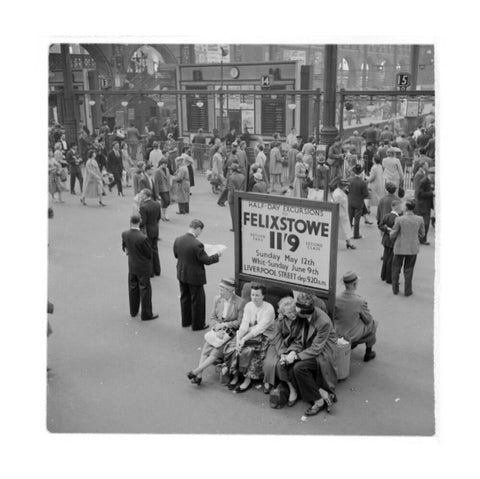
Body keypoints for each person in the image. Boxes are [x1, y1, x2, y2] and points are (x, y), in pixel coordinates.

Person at [280, 293, 338, 416]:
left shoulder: (323, 322)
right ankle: (322, 392)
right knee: (290, 367)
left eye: (296, 308)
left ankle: (318, 401)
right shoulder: (304, 316)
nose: (294, 311)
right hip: (309, 348)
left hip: (323, 353)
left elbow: (316, 349)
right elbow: (299, 339)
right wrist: (291, 352)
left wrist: (295, 357)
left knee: (298, 367)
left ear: (303, 312)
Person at [186, 277, 245, 386]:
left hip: (230, 332)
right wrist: (217, 328)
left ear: (230, 290)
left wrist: (225, 325)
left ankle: (196, 372)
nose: (220, 292)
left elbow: (239, 322)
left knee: (215, 351)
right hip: (217, 329)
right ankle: (198, 375)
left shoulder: (240, 302)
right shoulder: (217, 299)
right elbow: (212, 317)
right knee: (206, 349)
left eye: (222, 290)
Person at [223, 283, 275, 393]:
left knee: (251, 351)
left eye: (257, 295)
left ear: (263, 296)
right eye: (252, 294)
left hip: (263, 335)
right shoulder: (248, 306)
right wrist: (239, 339)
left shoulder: (268, 309)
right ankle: (236, 376)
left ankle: (247, 380)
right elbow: (244, 324)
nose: (254, 298)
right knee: (234, 347)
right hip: (248, 333)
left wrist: (244, 339)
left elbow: (260, 329)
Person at [173, 219, 222, 330]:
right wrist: (217, 255)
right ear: (198, 228)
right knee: (197, 301)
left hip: (181, 273)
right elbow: (207, 260)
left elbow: (176, 255)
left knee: (184, 297)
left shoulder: (178, 240)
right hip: (194, 276)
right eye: (200, 231)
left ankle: (186, 321)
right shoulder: (197, 244)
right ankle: (198, 324)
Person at [262, 296, 302, 403]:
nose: (292, 314)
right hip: (278, 346)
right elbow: (277, 337)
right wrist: (282, 353)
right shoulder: (280, 320)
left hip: (292, 347)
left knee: (281, 365)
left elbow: (299, 340)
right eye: (289, 312)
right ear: (284, 313)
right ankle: (268, 381)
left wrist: (289, 352)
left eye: (294, 311)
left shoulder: (300, 321)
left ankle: (292, 389)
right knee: (268, 363)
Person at [121, 214, 158, 321]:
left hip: (132, 265)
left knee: (132, 288)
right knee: (145, 290)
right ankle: (146, 314)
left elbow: (125, 247)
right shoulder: (143, 238)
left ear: (130, 221)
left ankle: (133, 311)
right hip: (143, 267)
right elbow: (149, 254)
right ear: (140, 221)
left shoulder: (125, 234)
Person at [335, 271, 378, 361]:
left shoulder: (336, 298)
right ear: (354, 284)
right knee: (373, 323)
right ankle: (368, 352)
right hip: (352, 334)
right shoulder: (359, 301)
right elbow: (368, 320)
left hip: (338, 331)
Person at [390, 199, 425, 296]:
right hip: (412, 248)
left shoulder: (399, 219)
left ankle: (395, 289)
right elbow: (422, 234)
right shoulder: (420, 219)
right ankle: (408, 290)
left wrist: (391, 234)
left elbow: (393, 234)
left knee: (396, 269)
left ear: (406, 207)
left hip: (400, 247)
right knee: (409, 270)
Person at [378, 199, 403, 284]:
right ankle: (389, 278)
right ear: (396, 207)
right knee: (391, 260)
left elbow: (380, 225)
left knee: (386, 258)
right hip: (393, 241)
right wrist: (391, 230)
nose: (401, 208)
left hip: (385, 240)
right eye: (400, 206)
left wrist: (387, 229)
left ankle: (383, 275)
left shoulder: (387, 215)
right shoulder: (397, 218)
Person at [139, 188, 162, 277]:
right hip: (155, 229)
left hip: (147, 231)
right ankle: (157, 270)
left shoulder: (143, 207)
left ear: (145, 195)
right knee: (155, 250)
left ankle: (150, 272)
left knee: (148, 252)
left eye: (141, 194)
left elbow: (143, 222)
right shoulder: (156, 204)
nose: (140, 195)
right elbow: (158, 217)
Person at [331, 178, 356, 249]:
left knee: (344, 229)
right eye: (346, 186)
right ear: (342, 186)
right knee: (343, 229)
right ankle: (348, 243)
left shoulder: (339, 191)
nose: (347, 187)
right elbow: (337, 204)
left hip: (342, 213)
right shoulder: (338, 194)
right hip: (340, 214)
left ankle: (348, 243)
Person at [348, 165, 369, 240]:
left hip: (350, 201)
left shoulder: (349, 180)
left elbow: (346, 190)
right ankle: (356, 234)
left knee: (349, 218)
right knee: (357, 220)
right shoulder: (363, 183)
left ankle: (348, 234)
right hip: (359, 202)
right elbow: (366, 195)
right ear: (361, 173)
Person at [415, 168, 435, 245]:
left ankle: (422, 239)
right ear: (431, 174)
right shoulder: (424, 181)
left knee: (425, 223)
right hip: (422, 205)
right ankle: (421, 239)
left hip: (427, 205)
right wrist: (431, 193)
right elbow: (420, 194)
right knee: (424, 223)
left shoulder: (430, 181)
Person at [227, 163, 246, 232]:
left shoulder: (231, 177)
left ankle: (235, 227)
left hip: (233, 198)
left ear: (232, 170)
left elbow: (231, 189)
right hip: (241, 196)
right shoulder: (242, 176)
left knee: (233, 214)